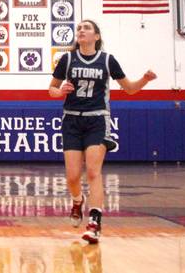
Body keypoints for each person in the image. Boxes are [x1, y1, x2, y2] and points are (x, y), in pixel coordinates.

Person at [49, 19, 157, 243]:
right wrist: (60, 92)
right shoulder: (67, 59)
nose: (81, 30)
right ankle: (78, 200)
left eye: (86, 28)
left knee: (93, 172)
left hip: (97, 120)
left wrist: (145, 80)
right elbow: (51, 88)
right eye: (79, 28)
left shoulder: (107, 60)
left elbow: (129, 89)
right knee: (72, 176)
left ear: (96, 36)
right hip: (71, 121)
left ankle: (94, 222)